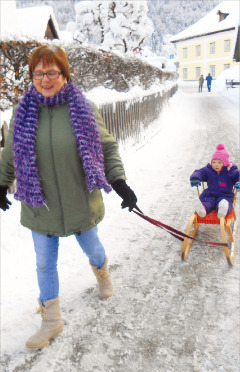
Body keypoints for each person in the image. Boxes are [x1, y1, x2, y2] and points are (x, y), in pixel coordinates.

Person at [0, 45, 137, 350]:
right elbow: (9, 154)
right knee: (44, 264)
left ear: (64, 74)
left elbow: (107, 147)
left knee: (93, 248)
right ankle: (51, 321)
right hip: (40, 206)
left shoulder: (84, 107)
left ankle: (102, 272)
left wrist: (119, 180)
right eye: (38, 73)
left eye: (51, 72)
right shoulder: (21, 112)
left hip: (80, 201)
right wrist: (1, 183)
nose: (45, 79)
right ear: (32, 76)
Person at [190, 143, 240, 218]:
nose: (216, 165)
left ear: (225, 163)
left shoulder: (231, 171)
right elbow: (199, 172)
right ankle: (203, 209)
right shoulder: (208, 170)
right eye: (214, 162)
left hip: (225, 195)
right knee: (208, 201)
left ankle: (223, 209)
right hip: (210, 194)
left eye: (219, 162)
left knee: (225, 201)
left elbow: (238, 175)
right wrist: (195, 178)